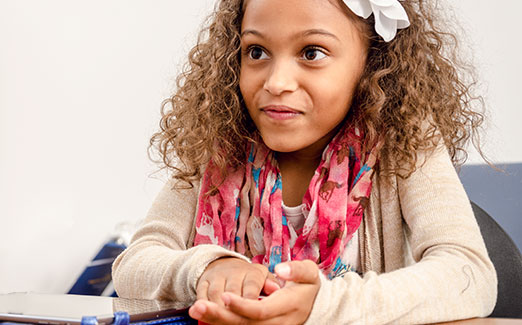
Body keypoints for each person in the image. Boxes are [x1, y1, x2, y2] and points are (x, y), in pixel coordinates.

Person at [112, 0, 497, 323]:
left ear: (372, 65)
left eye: (311, 53)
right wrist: (208, 268)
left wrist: (322, 307)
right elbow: (135, 263)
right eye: (256, 52)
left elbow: (469, 274)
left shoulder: (405, 143)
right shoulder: (219, 148)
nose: (277, 81)